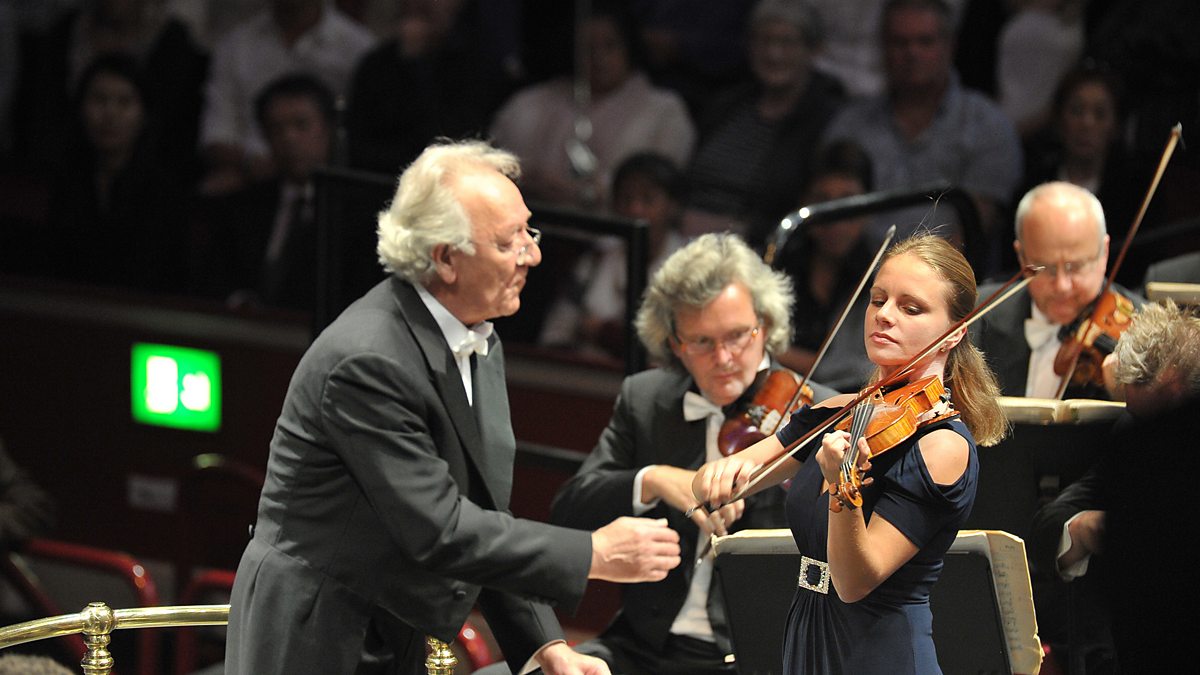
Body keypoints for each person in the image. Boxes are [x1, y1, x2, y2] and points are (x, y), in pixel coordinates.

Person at [224, 139, 682, 675]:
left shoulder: (477, 336)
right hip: (314, 630)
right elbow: (439, 528)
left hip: (390, 621)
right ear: (445, 258)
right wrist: (593, 553)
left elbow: (483, 510)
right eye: (511, 241)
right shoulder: (368, 361)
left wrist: (546, 648)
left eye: (528, 232)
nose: (532, 254)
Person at [480, 232, 838, 675]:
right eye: (701, 342)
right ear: (673, 343)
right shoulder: (647, 399)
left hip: (761, 658)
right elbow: (570, 509)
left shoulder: (821, 415)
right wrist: (653, 479)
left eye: (737, 336)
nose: (724, 357)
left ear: (764, 325)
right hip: (641, 651)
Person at [692, 234, 1007, 674]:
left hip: (880, 654)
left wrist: (844, 490)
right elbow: (733, 472)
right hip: (807, 639)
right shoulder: (834, 413)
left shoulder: (942, 445)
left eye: (910, 308)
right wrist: (713, 478)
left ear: (954, 334)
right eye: (878, 300)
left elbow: (855, 580)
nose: (884, 316)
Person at [1028, 300, 1200, 672]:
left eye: (1168, 423)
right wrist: (1090, 528)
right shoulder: (1136, 430)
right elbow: (1048, 524)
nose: (1153, 440)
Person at [820, 0, 1022, 267]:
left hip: (945, 285)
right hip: (854, 281)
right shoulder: (850, 125)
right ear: (883, 48)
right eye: (899, 42)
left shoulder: (988, 126)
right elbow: (830, 223)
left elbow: (975, 226)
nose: (911, 52)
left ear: (950, 46)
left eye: (924, 42)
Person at [488, 0, 695, 210]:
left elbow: (657, 190)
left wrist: (583, 193)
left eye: (609, 45)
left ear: (629, 47)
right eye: (588, 48)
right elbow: (495, 164)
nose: (599, 58)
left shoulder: (665, 110)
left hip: (614, 232)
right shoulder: (530, 101)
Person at [681, 0, 845, 247]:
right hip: (686, 239)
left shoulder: (827, 119)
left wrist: (727, 229)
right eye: (764, 41)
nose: (773, 53)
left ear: (813, 50)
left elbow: (803, 207)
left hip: (760, 250)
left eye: (787, 43)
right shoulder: (727, 104)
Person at [971, 181, 1143, 400]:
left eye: (1076, 267)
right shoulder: (977, 316)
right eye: (1046, 269)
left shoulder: (1144, 334)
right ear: (1022, 256)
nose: (1062, 285)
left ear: (1104, 252)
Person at [43, 52, 190, 294]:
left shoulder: (164, 192)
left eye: (124, 102)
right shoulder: (67, 182)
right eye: (99, 100)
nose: (110, 114)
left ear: (144, 114)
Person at [193, 72, 338, 312]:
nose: (289, 138)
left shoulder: (355, 212)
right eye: (277, 128)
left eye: (301, 125)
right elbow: (215, 279)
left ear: (328, 129)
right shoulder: (243, 206)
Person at [197, 0, 375, 195]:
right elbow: (216, 135)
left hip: (331, 178)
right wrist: (256, 165)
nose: (290, 138)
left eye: (299, 125)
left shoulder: (359, 48)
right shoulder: (236, 46)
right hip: (249, 179)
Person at [537, 152, 691, 361]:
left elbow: (677, 348)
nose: (635, 209)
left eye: (648, 199)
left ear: (672, 207)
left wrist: (602, 332)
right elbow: (556, 332)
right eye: (626, 198)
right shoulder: (595, 258)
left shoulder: (691, 267)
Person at [775, 139, 876, 393]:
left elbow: (852, 369)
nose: (835, 220)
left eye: (847, 201)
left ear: (868, 206)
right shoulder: (782, 259)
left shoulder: (880, 273)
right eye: (823, 200)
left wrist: (774, 352)